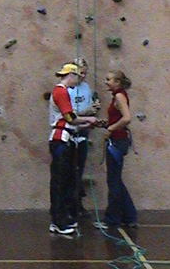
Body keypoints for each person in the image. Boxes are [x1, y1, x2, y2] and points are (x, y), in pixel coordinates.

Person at [48, 63, 99, 236]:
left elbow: (70, 120)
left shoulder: (60, 91)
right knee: (60, 182)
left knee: (65, 181)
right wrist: (89, 119)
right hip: (60, 139)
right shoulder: (61, 91)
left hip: (64, 137)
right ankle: (58, 220)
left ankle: (59, 218)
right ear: (71, 75)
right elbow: (69, 117)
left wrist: (86, 123)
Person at [96, 70, 137, 230]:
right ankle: (129, 216)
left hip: (117, 142)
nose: (106, 82)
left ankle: (112, 219)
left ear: (117, 82)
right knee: (116, 180)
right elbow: (117, 117)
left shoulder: (119, 96)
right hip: (117, 140)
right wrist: (103, 123)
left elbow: (126, 118)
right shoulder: (117, 96)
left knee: (113, 181)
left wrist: (111, 128)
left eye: (108, 79)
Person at [67, 57, 100, 218]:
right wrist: (87, 112)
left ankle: (78, 204)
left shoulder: (86, 87)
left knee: (79, 168)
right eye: (80, 73)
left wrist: (93, 108)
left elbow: (86, 108)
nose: (83, 77)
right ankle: (71, 205)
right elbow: (69, 113)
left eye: (85, 74)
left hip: (83, 132)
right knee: (71, 170)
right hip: (71, 132)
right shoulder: (69, 89)